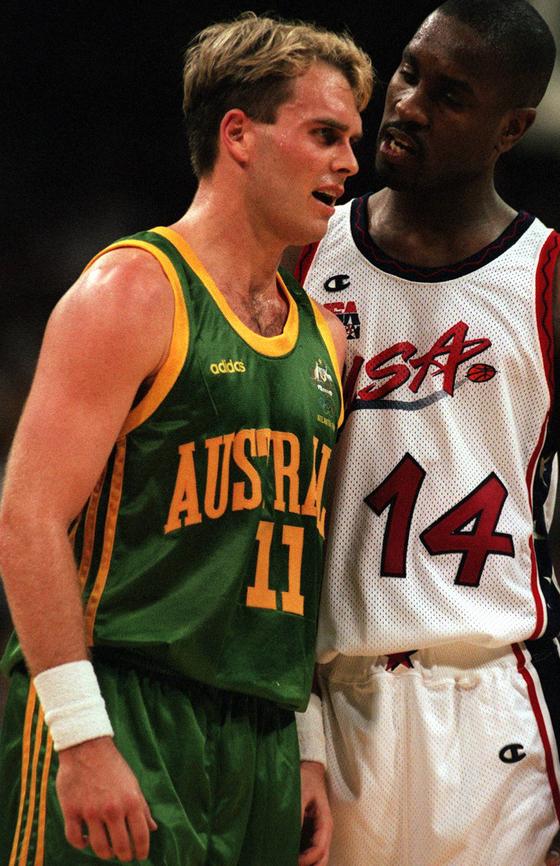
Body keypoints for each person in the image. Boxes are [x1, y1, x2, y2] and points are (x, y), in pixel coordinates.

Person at [0, 13, 372, 866]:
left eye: (352, 139)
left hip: (260, 741)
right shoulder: (131, 292)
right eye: (324, 134)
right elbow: (26, 521)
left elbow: (295, 564)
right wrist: (83, 737)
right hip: (124, 706)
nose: (349, 163)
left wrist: (306, 741)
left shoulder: (328, 344)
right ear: (238, 134)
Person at [291, 2, 560, 865]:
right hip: (328, 704)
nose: (407, 103)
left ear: (511, 129)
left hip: (498, 697)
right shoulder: (302, 254)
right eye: (409, 71)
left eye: (450, 95)